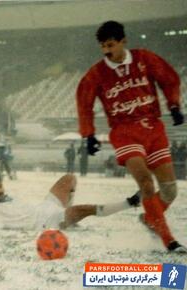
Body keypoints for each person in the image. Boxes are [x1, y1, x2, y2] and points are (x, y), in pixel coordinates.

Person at [76, 20, 186, 253]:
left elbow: (169, 78)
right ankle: (169, 241)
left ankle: (150, 220)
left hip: (154, 128)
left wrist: (174, 106)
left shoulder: (144, 58)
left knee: (170, 191)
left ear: (123, 41)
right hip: (124, 131)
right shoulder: (96, 73)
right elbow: (83, 101)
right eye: (103, 46)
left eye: (111, 45)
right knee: (146, 182)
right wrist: (89, 134)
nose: (107, 50)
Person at [0, 172, 140, 231]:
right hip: (45, 222)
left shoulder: (6, 197)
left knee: (69, 179)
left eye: (0, 186)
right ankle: (130, 202)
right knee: (84, 209)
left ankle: (68, 219)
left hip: (45, 207)